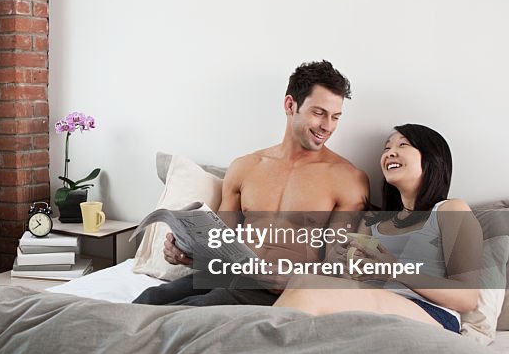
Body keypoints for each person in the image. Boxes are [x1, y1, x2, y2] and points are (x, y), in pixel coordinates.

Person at [133, 60, 370, 306]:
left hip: (276, 293)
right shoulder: (246, 167)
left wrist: (295, 280)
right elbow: (220, 245)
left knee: (191, 311)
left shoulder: (347, 179)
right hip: (225, 278)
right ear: (290, 105)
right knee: (148, 299)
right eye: (319, 113)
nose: (327, 126)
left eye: (335, 117)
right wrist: (186, 254)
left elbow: (339, 267)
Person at [272, 124, 481, 332]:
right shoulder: (373, 221)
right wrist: (333, 264)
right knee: (302, 280)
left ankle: (256, 350)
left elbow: (467, 298)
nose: (391, 153)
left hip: (430, 313)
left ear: (431, 158)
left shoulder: (450, 210)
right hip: (374, 304)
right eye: (386, 148)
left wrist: (393, 270)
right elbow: (348, 281)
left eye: (403, 145)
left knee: (309, 290)